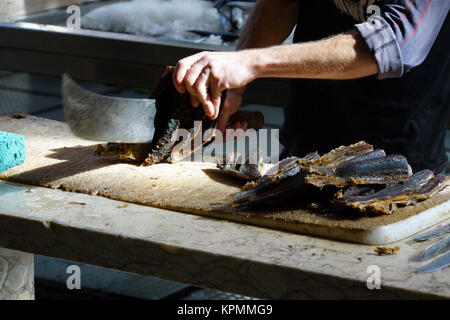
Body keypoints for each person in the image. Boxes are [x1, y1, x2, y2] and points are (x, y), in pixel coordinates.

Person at [173, 0, 449, 173]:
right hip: (305, 146)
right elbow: (282, 4)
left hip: (397, 162)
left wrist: (250, 63)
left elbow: (395, 41)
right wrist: (233, 87)